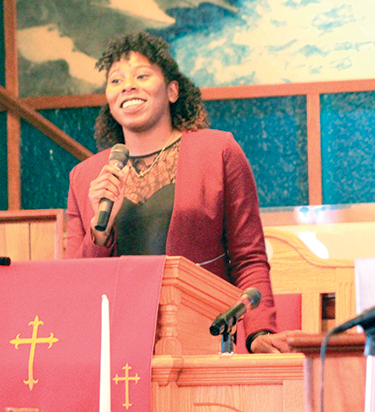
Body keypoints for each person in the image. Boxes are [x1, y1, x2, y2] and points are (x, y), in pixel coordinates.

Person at [66, 31, 297, 353]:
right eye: (116, 81)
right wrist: (99, 232)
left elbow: (249, 257)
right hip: (118, 345)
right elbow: (76, 284)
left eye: (142, 75)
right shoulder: (85, 176)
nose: (128, 86)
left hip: (204, 335)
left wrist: (258, 332)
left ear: (172, 90)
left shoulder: (218, 151)